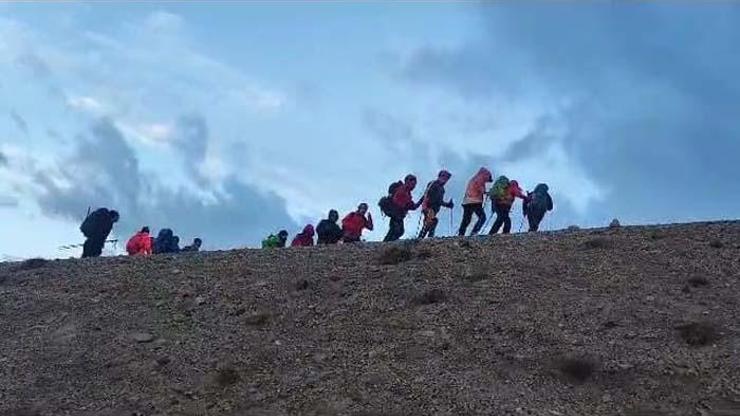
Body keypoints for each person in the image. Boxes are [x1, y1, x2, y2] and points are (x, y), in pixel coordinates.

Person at [383, 174, 422, 242]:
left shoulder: (408, 194)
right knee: (397, 230)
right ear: (407, 181)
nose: (413, 186)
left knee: (398, 231)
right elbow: (397, 201)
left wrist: (422, 200)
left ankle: (386, 244)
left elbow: (413, 206)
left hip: (398, 215)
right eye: (412, 184)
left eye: (414, 185)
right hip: (396, 214)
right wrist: (405, 206)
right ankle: (386, 245)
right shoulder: (402, 189)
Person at [418, 170, 454, 239]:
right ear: (440, 176)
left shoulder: (442, 189)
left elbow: (439, 201)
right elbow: (426, 195)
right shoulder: (433, 184)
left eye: (447, 178)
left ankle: (423, 239)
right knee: (431, 222)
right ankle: (425, 238)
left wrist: (448, 205)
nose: (445, 180)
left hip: (434, 210)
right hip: (429, 207)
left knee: (430, 223)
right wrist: (423, 206)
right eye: (444, 177)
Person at [458, 167, 493, 236]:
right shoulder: (480, 179)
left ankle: (461, 234)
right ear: (486, 175)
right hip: (475, 201)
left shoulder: (473, 179)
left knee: (466, 219)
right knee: (482, 217)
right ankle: (474, 232)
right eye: (488, 179)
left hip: (466, 201)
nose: (488, 181)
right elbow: (481, 190)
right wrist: (487, 193)